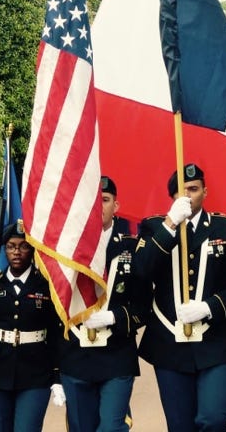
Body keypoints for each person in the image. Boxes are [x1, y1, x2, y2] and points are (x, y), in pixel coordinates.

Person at [134, 163, 226, 431]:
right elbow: (141, 270)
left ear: (204, 192)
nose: (188, 196)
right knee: (180, 425)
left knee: (215, 419)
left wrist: (209, 307)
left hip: (214, 339)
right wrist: (170, 224)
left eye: (193, 189)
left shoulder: (224, 228)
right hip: (169, 343)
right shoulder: (153, 227)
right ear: (171, 197)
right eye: (181, 192)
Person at [57, 176, 143, 431]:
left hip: (116, 355)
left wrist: (114, 317)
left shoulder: (132, 247)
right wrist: (54, 371)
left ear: (116, 205)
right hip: (75, 355)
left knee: (111, 428)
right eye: (93, 201)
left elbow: (144, 306)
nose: (99, 206)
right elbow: (55, 307)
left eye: (105, 200)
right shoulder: (67, 249)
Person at [0, 220, 62, 432]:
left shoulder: (46, 285)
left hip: (35, 372)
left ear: (32, 250)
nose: (17, 252)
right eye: (11, 246)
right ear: (4, 249)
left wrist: (57, 377)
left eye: (23, 246)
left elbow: (56, 334)